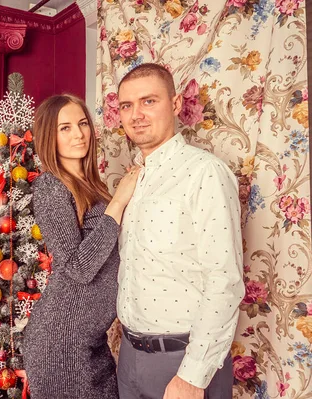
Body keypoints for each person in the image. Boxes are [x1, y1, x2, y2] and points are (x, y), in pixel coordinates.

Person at [115, 63, 245, 399]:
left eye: (149, 101)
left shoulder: (204, 173)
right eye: (127, 106)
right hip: (129, 357)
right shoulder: (132, 180)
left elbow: (224, 280)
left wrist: (192, 376)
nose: (136, 115)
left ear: (175, 105)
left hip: (183, 361)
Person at [24, 94, 140, 399]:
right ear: (50, 136)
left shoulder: (91, 185)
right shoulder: (50, 186)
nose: (78, 134)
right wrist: (119, 202)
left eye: (82, 123)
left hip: (88, 337)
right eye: (65, 128)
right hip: (60, 341)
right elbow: (77, 267)